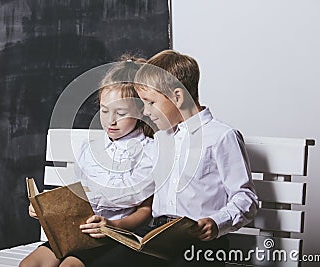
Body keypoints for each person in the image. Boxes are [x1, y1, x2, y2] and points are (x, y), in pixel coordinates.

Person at [89, 50, 258, 267]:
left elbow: (245, 197)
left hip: (199, 242)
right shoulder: (162, 138)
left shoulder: (221, 137)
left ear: (177, 97)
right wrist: (109, 220)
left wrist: (216, 223)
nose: (146, 112)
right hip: (155, 237)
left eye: (150, 103)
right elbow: (138, 189)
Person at [19, 57, 156, 267]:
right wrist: (46, 208)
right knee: (30, 265)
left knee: (70, 266)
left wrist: (112, 224)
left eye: (121, 113)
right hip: (75, 232)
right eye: (104, 110)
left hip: (115, 236)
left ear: (139, 112)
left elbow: (145, 212)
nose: (111, 120)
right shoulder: (90, 148)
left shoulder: (149, 151)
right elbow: (73, 194)